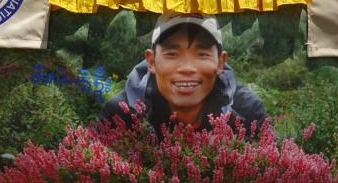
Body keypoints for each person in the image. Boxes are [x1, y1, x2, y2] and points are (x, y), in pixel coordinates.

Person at [102, 14, 266, 136]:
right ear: (151, 61)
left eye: (202, 54)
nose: (187, 68)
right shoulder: (120, 114)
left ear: (220, 63)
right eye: (172, 54)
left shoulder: (248, 111)